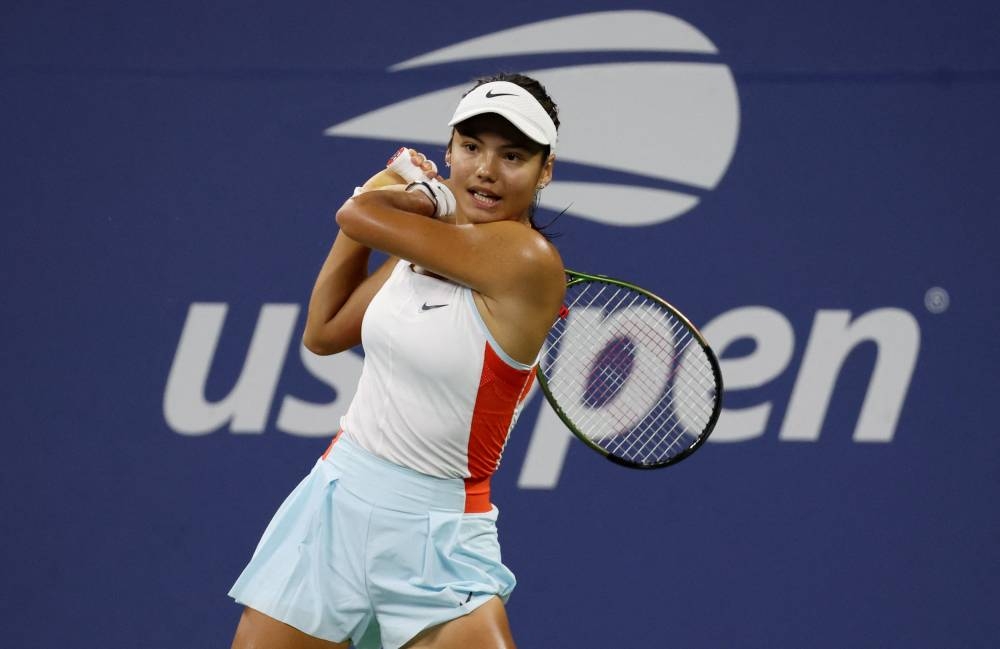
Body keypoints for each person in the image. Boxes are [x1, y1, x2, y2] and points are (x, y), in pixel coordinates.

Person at [228, 73, 565, 649]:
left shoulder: (526, 258)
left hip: (438, 539)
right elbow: (325, 331)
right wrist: (404, 206)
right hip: (335, 504)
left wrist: (414, 193)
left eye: (512, 155)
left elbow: (358, 215)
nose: (486, 170)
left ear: (544, 171)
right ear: (450, 150)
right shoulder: (424, 251)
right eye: (471, 148)